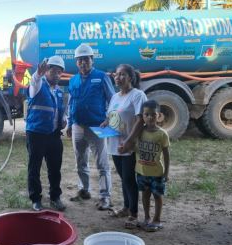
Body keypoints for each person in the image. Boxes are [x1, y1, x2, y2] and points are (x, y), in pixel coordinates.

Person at [67, 43, 115, 210]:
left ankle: (105, 197)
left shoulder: (102, 77)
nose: (82, 63)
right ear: (76, 62)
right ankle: (84, 190)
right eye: (79, 60)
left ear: (92, 60)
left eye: (85, 59)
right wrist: (68, 123)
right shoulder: (73, 80)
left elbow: (113, 100)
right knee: (80, 161)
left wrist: (109, 118)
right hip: (77, 126)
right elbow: (71, 102)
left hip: (97, 127)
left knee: (102, 164)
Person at [102, 64, 147, 228]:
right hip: (115, 143)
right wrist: (105, 122)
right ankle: (126, 207)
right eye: (116, 75)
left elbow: (140, 119)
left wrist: (129, 141)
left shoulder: (137, 95)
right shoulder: (115, 96)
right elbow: (111, 116)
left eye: (122, 75)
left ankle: (134, 214)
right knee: (123, 178)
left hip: (129, 145)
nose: (118, 77)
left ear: (130, 77)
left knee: (129, 179)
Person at [26, 56, 67, 211]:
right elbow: (33, 82)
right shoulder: (38, 85)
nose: (56, 74)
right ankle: (35, 199)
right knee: (34, 168)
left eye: (59, 72)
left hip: (54, 135)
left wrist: (65, 121)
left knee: (55, 168)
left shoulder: (59, 92)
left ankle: (55, 197)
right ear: (46, 71)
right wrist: (37, 74)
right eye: (52, 71)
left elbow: (61, 113)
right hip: (36, 134)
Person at [135, 100, 170, 232]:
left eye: (153, 114)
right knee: (145, 195)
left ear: (158, 115)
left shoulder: (162, 134)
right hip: (141, 171)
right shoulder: (139, 132)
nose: (150, 117)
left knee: (157, 196)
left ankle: (157, 219)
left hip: (157, 173)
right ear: (142, 116)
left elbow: (166, 155)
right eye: (146, 114)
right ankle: (147, 218)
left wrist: (166, 173)